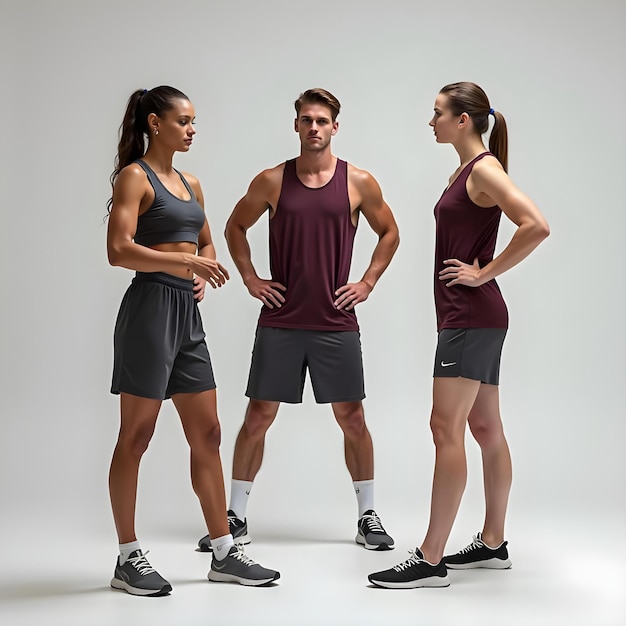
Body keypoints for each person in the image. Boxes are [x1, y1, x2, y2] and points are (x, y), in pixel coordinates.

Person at [197, 88, 400, 553]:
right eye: (306, 120)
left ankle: (367, 515)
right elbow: (234, 227)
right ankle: (235, 517)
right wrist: (249, 277)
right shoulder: (272, 180)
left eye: (322, 121)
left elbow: (389, 232)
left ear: (335, 127)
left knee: (352, 418)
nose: (314, 128)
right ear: (296, 126)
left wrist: (366, 282)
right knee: (257, 417)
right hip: (282, 321)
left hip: (335, 322)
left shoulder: (358, 182)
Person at [368, 81, 550, 588]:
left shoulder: (484, 170)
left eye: (437, 113)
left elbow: (535, 224)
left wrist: (483, 273)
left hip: (470, 316)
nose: (431, 122)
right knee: (485, 430)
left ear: (463, 120)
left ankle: (430, 558)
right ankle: (493, 544)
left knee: (443, 428)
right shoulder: (466, 171)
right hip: (473, 318)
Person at [106, 86, 279, 596]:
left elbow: (204, 241)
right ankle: (127, 557)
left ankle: (224, 551)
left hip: (187, 316)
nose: (192, 129)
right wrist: (184, 262)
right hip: (149, 312)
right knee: (135, 438)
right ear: (155, 123)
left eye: (194, 121)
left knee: (208, 434)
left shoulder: (190, 182)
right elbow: (119, 251)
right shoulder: (134, 178)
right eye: (183, 121)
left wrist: (198, 268)